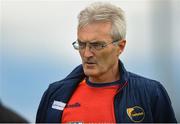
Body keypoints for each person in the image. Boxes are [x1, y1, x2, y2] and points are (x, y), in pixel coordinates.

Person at [36, 2, 177, 123]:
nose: (87, 53)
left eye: (97, 45)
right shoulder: (54, 95)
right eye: (82, 44)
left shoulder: (150, 93)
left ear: (120, 47)